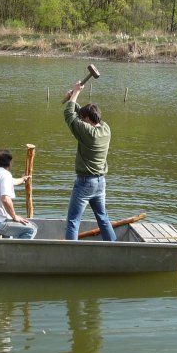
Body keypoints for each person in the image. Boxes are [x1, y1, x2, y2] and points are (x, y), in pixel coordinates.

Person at [62, 81, 116, 241]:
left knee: (73, 220)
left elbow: (69, 116)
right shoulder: (105, 128)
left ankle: (70, 254)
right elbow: (79, 115)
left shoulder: (88, 133)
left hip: (85, 183)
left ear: (87, 119)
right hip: (100, 182)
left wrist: (76, 92)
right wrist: (73, 99)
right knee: (103, 218)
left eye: (83, 118)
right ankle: (113, 246)